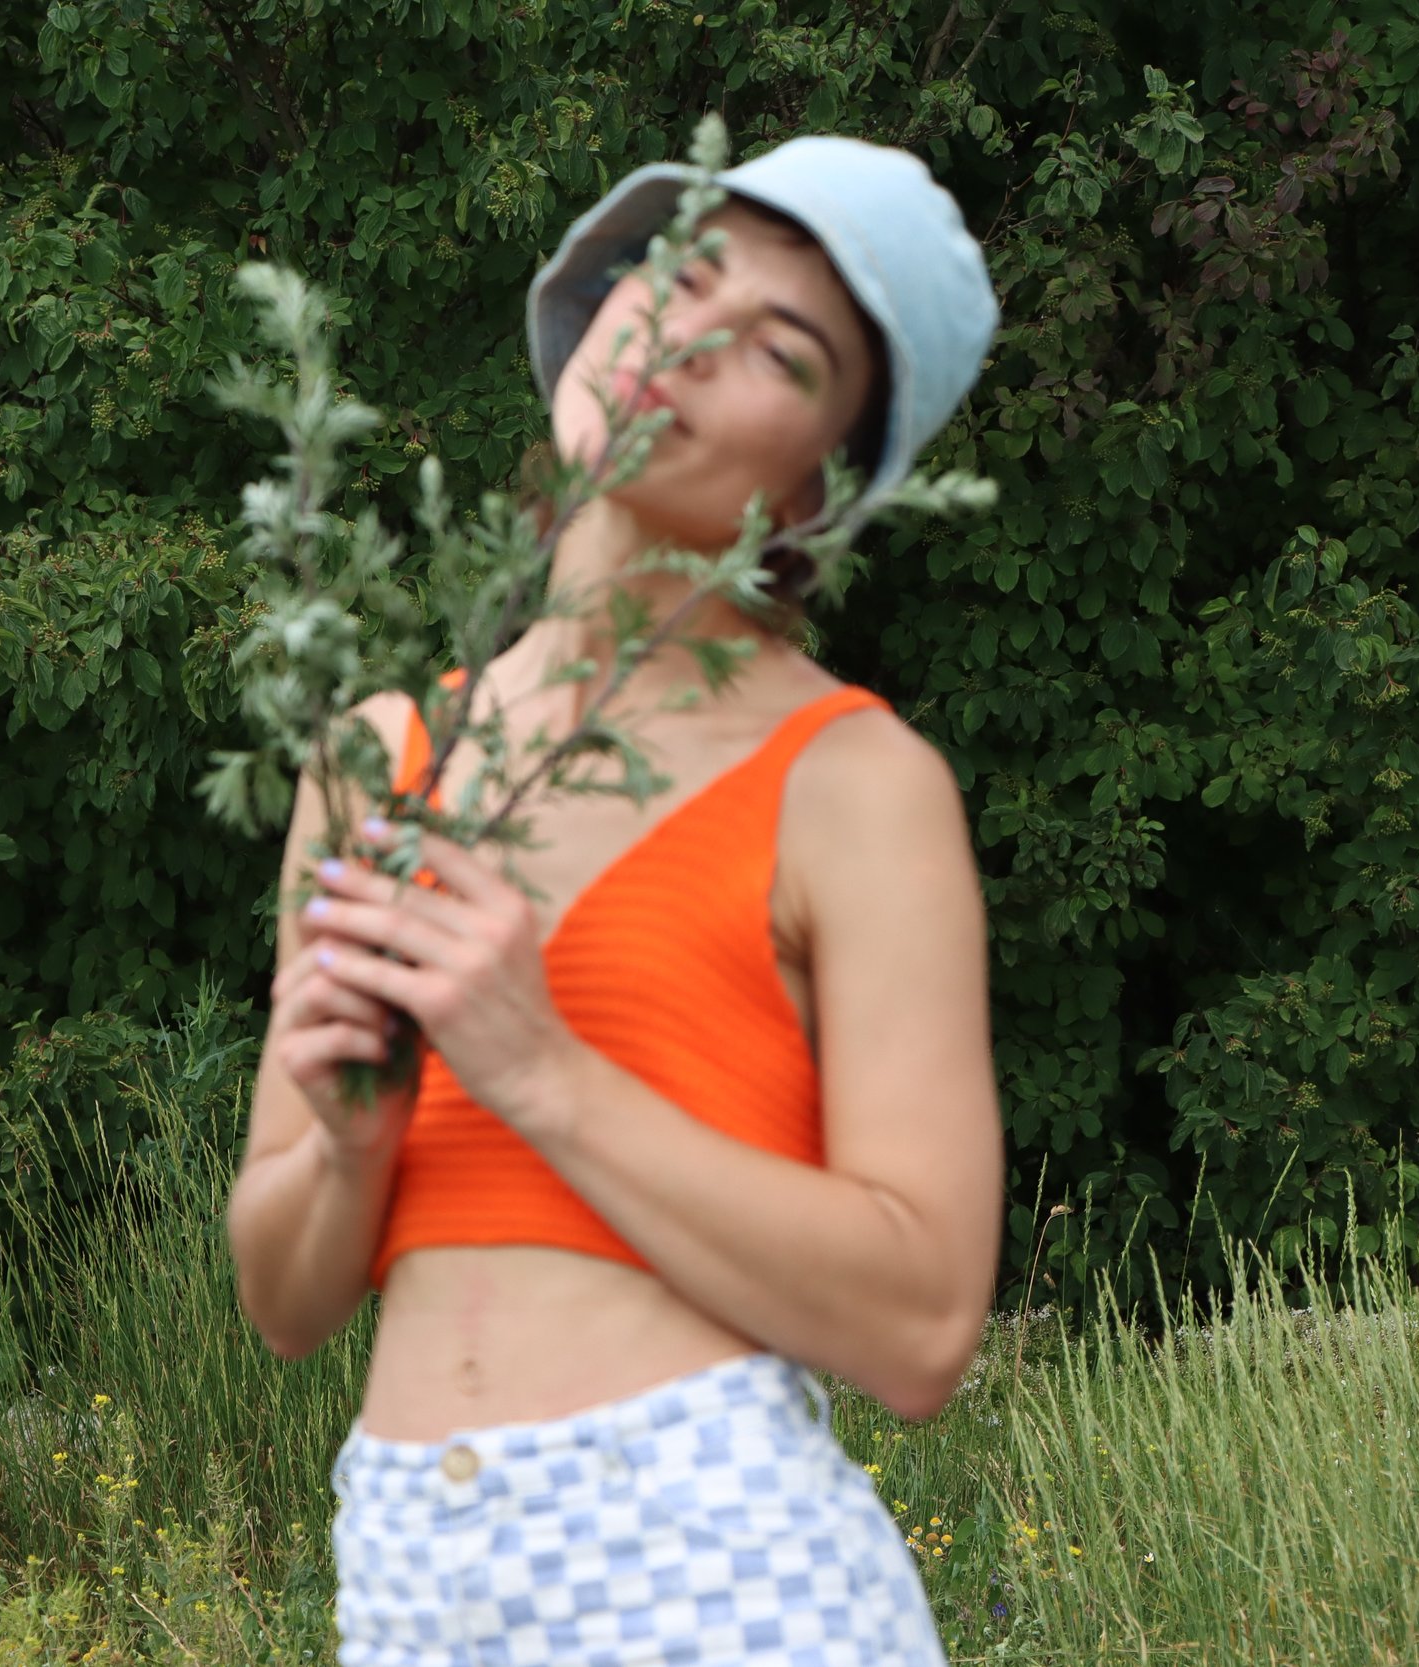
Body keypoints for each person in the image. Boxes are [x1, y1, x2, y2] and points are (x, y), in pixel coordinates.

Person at [226, 134, 1005, 1666]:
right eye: (684, 272)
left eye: (782, 351)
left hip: (714, 1577)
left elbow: (923, 1327)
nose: (694, 338)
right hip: (406, 1580)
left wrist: (538, 1068)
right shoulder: (374, 763)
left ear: (820, 484)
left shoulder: (852, 783)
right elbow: (284, 1302)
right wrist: (355, 1143)